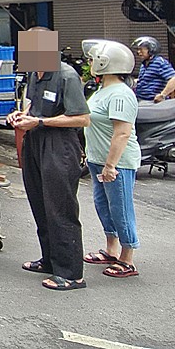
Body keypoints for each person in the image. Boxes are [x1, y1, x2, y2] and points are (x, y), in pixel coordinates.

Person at [8, 28, 91, 291]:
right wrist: (19, 116)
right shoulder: (34, 74)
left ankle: (71, 274)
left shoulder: (66, 75)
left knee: (60, 207)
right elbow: (31, 106)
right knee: (40, 203)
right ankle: (50, 259)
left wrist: (41, 121)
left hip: (59, 144)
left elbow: (82, 118)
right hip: (35, 141)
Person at [82, 40, 141, 279]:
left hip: (117, 162)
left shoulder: (120, 94)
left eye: (91, 60)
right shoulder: (102, 90)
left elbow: (122, 133)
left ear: (104, 63)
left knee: (121, 208)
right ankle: (111, 249)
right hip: (98, 159)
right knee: (103, 206)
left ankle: (127, 259)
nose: (89, 64)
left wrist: (110, 165)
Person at [131, 36, 175, 102]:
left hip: (153, 103)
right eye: (137, 49)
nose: (138, 52)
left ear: (151, 49)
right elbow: (146, 80)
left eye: (141, 49)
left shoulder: (159, 62)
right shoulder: (144, 64)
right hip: (141, 101)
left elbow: (173, 79)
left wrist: (162, 95)